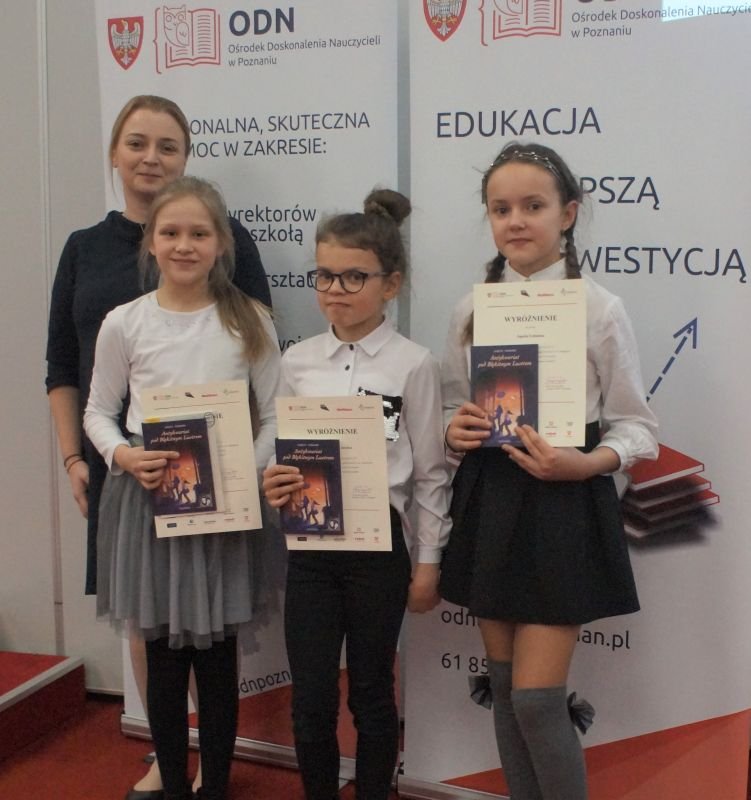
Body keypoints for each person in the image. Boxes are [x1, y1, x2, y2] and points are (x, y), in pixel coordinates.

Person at [45, 94, 271, 798]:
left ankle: (216, 783)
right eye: (170, 233)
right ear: (151, 244)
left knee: (219, 655)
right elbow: (95, 405)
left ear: (222, 244)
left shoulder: (248, 320)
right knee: (162, 652)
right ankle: (173, 779)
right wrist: (114, 455)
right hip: (145, 499)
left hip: (225, 505)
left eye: (198, 234)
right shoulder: (123, 320)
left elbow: (273, 412)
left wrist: (243, 471)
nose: (183, 245)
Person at [440, 142, 658, 800]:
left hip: (563, 501)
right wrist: (454, 429)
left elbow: (637, 427)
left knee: (537, 700)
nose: (515, 220)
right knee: (507, 691)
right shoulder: (469, 308)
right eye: (500, 208)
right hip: (491, 497)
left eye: (532, 206)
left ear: (567, 213)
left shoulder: (600, 308)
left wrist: (586, 463)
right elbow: (452, 407)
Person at [262, 189, 452, 800]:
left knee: (371, 691)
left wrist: (428, 563)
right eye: (325, 275)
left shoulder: (413, 365)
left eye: (354, 276)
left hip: (379, 553)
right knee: (312, 696)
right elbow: (285, 455)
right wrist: (274, 481)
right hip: (311, 552)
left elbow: (430, 473)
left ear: (390, 284)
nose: (335, 289)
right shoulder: (298, 363)